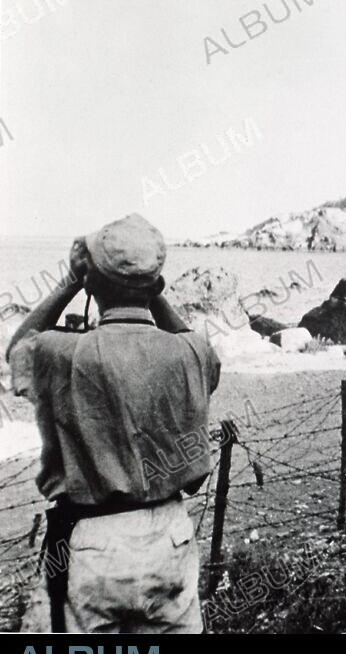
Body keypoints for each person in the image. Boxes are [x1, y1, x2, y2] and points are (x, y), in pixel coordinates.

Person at [6, 214, 220, 633]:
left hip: (94, 540)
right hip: (171, 534)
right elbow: (191, 341)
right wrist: (152, 292)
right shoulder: (192, 351)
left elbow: (18, 348)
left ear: (93, 285)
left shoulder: (63, 353)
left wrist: (72, 281)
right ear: (156, 286)